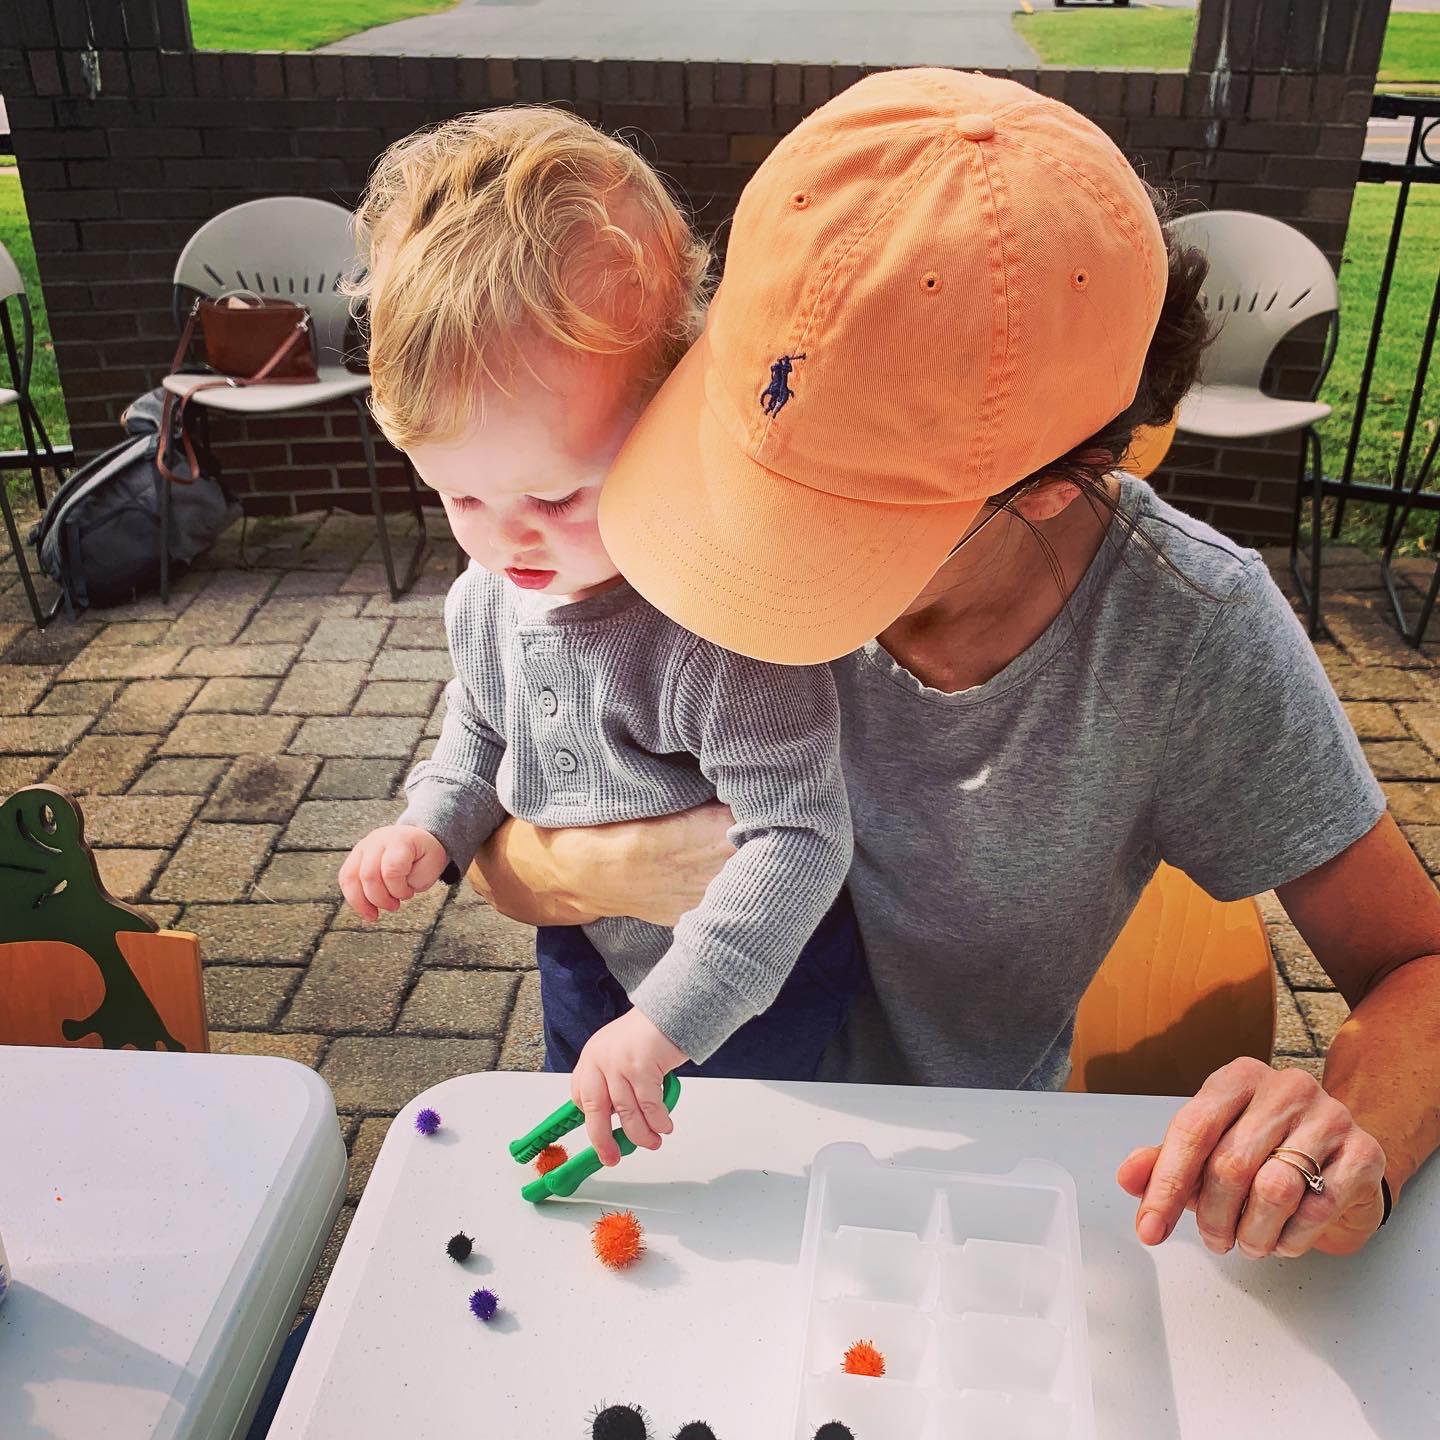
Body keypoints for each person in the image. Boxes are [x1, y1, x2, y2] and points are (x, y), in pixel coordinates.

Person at [468, 69, 1439, 1261]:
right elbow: (497, 850)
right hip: (670, 1153)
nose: (729, 556)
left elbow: (1420, 967)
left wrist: (1347, 1139)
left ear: (1052, 478)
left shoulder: (1184, 633)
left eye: (829, 523)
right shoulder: (598, 515)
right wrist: (591, 867)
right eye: (729, 455)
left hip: (959, 1201)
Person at [337, 108, 864, 1151]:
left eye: (561, 496)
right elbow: (480, 732)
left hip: (751, 975)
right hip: (585, 952)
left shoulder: (721, 627)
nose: (508, 539)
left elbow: (802, 837)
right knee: (595, 1141)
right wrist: (428, 826)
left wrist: (669, 1023)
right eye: (460, 497)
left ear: (672, 415)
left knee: (745, 1169)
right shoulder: (488, 592)